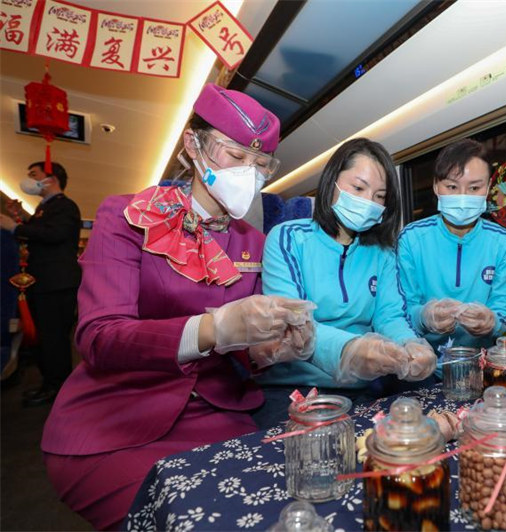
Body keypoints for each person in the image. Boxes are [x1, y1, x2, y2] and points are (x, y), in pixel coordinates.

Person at [39, 83, 315, 531]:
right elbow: (99, 336)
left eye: (260, 164)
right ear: (194, 144)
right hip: (120, 417)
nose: (250, 172)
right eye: (236, 155)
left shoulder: (255, 244)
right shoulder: (126, 217)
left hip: (216, 413)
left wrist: (272, 349)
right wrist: (213, 329)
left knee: (278, 513)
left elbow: (243, 349)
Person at [255, 138, 436, 426]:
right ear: (332, 182)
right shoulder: (288, 238)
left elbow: (390, 316)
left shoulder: (382, 253)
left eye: (380, 196)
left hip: (361, 388)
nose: (368, 203)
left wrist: (411, 345)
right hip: (293, 389)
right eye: (358, 188)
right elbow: (293, 324)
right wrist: (351, 349)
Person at [396, 138, 506, 361]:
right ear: (436, 186)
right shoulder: (412, 238)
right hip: (422, 360)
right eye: (452, 187)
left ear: (489, 188)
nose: (463, 197)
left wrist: (492, 322)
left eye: (474, 188)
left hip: (481, 364)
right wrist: (425, 316)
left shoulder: (504, 244)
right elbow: (400, 311)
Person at [0, 162, 81, 406]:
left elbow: (54, 235)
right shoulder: (45, 209)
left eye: (34, 175)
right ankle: (50, 383)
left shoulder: (65, 206)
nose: (29, 180)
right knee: (46, 337)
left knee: (54, 337)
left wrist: (15, 228)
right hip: (43, 282)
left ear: (51, 179)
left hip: (56, 283)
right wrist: (22, 220)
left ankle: (57, 387)